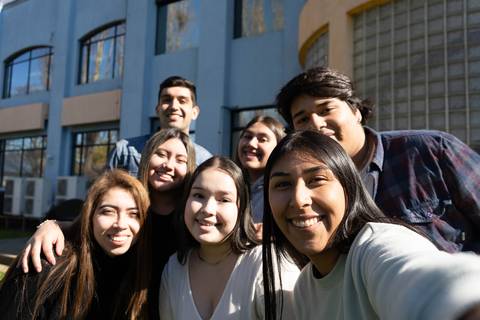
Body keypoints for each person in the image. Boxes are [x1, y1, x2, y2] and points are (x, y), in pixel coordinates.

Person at [262, 130, 480, 320]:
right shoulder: (304, 288)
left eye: (316, 180)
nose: (299, 199)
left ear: (348, 187)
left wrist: (464, 303)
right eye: (282, 184)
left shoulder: (375, 245)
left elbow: (420, 276)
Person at [275, 66, 480, 253]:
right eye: (302, 119)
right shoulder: (304, 191)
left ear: (356, 112)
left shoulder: (430, 151)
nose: (316, 124)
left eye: (326, 110)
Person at [17, 128, 196, 320]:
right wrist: (51, 225)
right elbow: (84, 226)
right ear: (146, 158)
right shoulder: (128, 202)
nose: (168, 165)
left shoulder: (190, 218)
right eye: (161, 154)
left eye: (180, 160)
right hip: (117, 307)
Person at [159, 156, 299, 319]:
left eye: (224, 199)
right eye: (198, 195)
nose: (208, 209)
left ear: (241, 209)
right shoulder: (174, 268)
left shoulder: (268, 263)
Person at [0, 170, 152, 319]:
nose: (121, 224)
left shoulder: (140, 273)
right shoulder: (48, 264)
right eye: (108, 211)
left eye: (134, 214)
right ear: (89, 215)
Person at [108, 75, 211, 175]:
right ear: (157, 110)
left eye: (182, 101)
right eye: (167, 100)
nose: (174, 106)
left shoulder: (205, 161)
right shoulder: (124, 152)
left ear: (194, 112)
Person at [235, 115, 285, 238]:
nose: (251, 144)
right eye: (247, 136)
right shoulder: (228, 185)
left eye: (262, 139)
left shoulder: (284, 189)